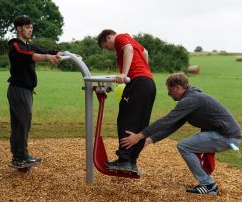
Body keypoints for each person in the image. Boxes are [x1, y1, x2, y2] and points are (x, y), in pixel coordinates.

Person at [121, 72, 241, 195]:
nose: (168, 94)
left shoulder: (191, 100)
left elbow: (166, 121)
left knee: (184, 146)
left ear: (178, 87)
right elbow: (172, 125)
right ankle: (208, 183)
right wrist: (149, 139)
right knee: (186, 146)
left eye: (170, 90)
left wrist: (139, 136)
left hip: (227, 137)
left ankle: (208, 185)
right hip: (227, 136)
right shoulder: (191, 98)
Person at [97, 29, 156, 173]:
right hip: (148, 83)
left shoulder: (120, 38)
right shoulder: (131, 39)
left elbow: (128, 50)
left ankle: (124, 160)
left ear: (108, 37)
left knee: (126, 119)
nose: (110, 50)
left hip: (137, 82)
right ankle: (132, 161)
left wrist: (124, 73)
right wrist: (144, 70)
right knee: (140, 122)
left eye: (106, 46)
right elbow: (145, 52)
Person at [7, 15, 62, 168]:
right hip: (18, 89)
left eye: (31, 27)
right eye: (27, 27)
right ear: (19, 28)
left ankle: (18, 157)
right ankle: (21, 155)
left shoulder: (29, 45)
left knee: (21, 123)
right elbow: (29, 56)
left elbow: (46, 50)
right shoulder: (15, 46)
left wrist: (63, 54)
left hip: (26, 90)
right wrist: (46, 57)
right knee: (22, 123)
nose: (30, 30)